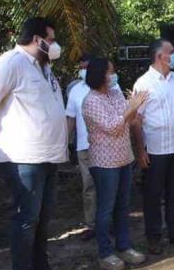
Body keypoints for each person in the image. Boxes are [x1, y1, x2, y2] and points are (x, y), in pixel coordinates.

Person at [0, 17, 68, 270]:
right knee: (27, 219)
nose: (55, 45)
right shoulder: (10, 63)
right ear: (37, 39)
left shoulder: (43, 67)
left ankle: (41, 265)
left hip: (49, 155)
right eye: (51, 40)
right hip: (23, 157)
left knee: (42, 219)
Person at [132, 39, 174, 255]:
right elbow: (136, 120)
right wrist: (140, 150)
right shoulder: (143, 83)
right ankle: (153, 238)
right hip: (155, 149)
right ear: (160, 56)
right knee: (153, 195)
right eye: (171, 51)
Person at [81, 58, 148, 270]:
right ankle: (105, 253)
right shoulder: (91, 101)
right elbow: (113, 127)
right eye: (110, 72)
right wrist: (131, 108)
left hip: (124, 158)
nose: (113, 75)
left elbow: (130, 119)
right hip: (104, 163)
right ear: (100, 75)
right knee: (105, 208)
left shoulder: (115, 94)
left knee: (123, 206)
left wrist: (135, 107)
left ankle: (124, 246)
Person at [65, 53, 98, 240]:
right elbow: (70, 118)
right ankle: (92, 224)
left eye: (87, 67)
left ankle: (109, 222)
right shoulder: (75, 91)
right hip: (84, 146)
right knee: (89, 187)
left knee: (109, 186)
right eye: (81, 68)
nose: (83, 71)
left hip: (108, 146)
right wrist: (67, 143)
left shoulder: (110, 86)